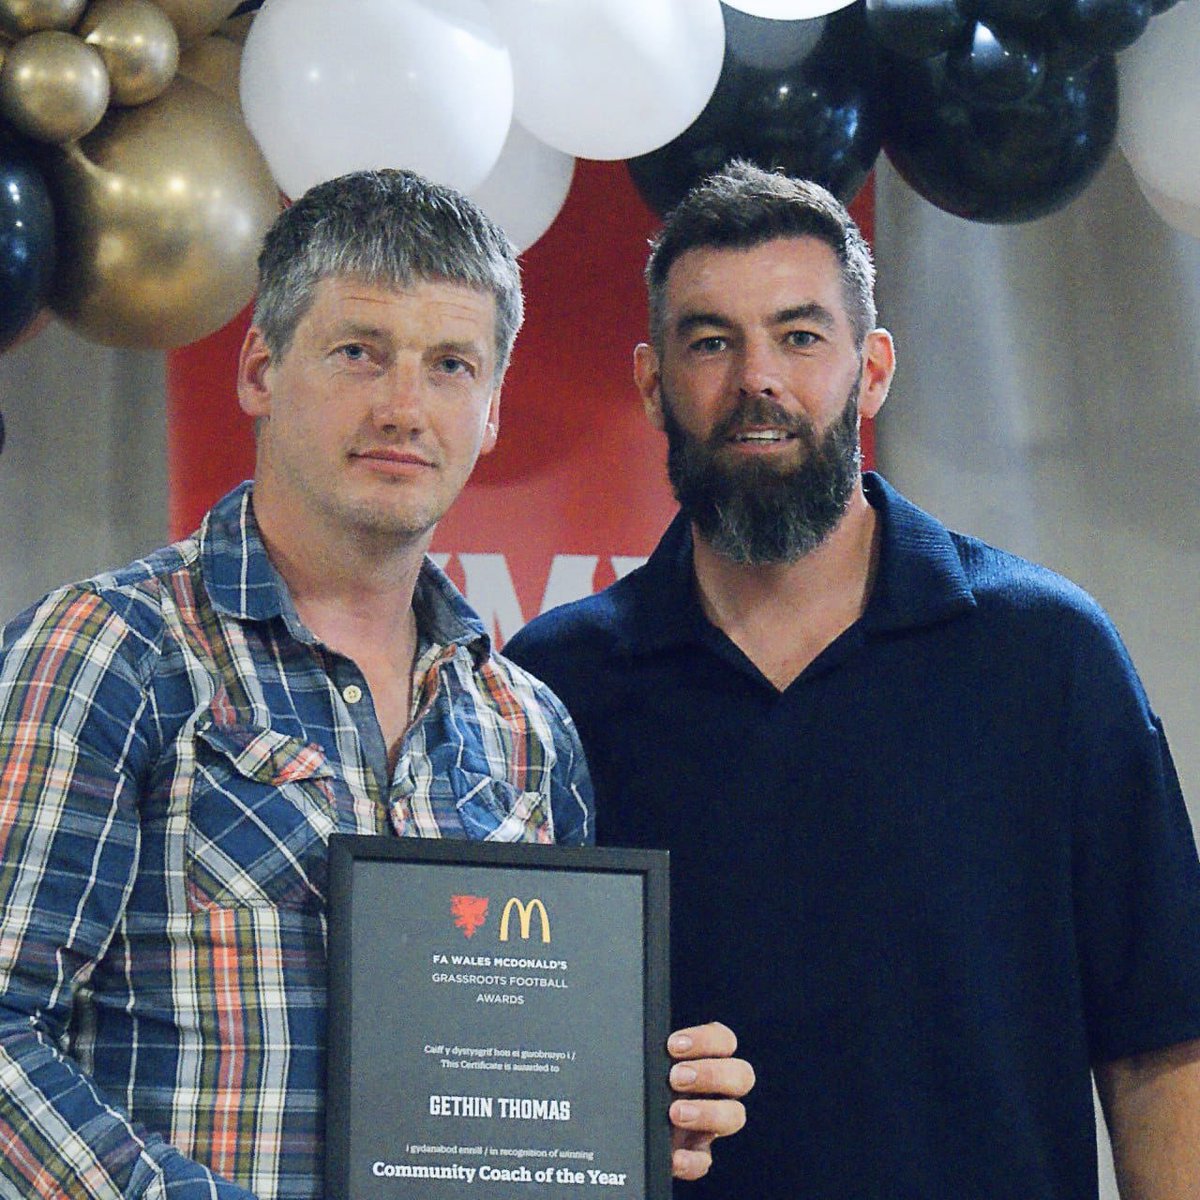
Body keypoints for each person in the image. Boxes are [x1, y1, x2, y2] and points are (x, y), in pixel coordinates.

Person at [0, 170, 751, 1200]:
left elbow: (534, 1096)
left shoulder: (527, 731)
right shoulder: (110, 653)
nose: (404, 407)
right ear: (261, 368)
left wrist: (624, 1116)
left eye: (451, 365)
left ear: (489, 411)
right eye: (360, 352)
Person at [505, 161, 1200, 1199]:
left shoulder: (1047, 655)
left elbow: (1162, 1048)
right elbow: (506, 1059)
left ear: (871, 368)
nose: (757, 383)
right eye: (711, 342)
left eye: (800, 335)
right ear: (653, 383)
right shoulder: (549, 689)